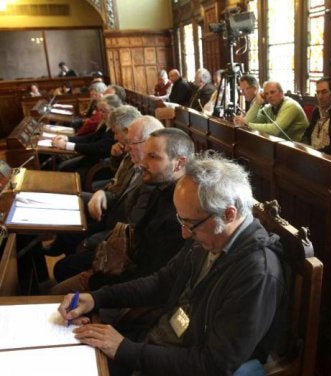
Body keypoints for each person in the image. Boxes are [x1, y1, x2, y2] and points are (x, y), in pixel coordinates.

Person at [58, 153, 287, 375]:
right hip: (160, 340)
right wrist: (97, 298)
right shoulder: (208, 234)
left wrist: (124, 349)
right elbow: (162, 282)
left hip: (182, 360)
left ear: (228, 214)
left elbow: (214, 364)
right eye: (181, 219)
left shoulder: (258, 273)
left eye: (190, 223)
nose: (184, 234)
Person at [51, 126, 193, 294]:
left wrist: (97, 284)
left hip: (134, 287)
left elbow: (152, 274)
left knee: (57, 291)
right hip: (122, 268)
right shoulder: (160, 186)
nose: (142, 163)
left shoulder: (181, 208)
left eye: (153, 157)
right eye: (145, 154)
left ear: (179, 163)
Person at [234, 80, 309, 142]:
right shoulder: (268, 108)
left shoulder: (290, 105)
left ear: (281, 93)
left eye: (272, 92)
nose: (269, 96)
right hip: (282, 144)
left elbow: (275, 129)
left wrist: (247, 125)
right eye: (266, 94)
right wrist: (257, 104)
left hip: (300, 147)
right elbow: (248, 121)